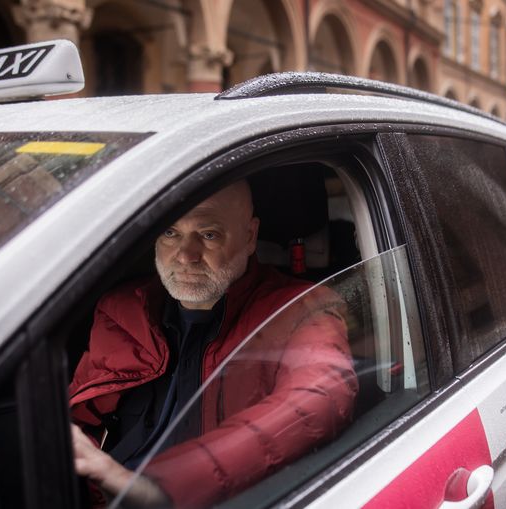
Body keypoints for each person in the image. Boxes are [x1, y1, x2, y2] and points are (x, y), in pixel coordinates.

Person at [69, 180, 357, 508]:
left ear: (250, 237)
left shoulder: (302, 309)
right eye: (170, 233)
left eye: (208, 235)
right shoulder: (121, 309)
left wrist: (154, 488)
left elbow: (319, 399)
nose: (186, 256)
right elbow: (80, 417)